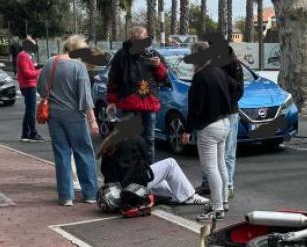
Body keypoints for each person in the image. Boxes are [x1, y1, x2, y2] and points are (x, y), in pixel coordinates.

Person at [36, 35, 99, 206]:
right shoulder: (78, 66)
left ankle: (66, 196)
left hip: (54, 116)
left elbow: (41, 88)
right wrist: (92, 120)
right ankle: (90, 194)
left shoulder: (50, 63)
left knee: (62, 154)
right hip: (75, 115)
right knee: (84, 152)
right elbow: (85, 97)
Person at [181, 42, 240, 221]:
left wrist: (187, 130)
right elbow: (236, 88)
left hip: (209, 126)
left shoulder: (200, 77)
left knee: (211, 168)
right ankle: (222, 202)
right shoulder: (219, 72)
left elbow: (195, 107)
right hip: (224, 122)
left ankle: (217, 208)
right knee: (221, 165)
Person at [105, 26, 168, 164]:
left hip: (149, 104)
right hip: (129, 104)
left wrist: (158, 65)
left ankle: (149, 170)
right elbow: (113, 80)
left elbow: (164, 78)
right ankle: (131, 169)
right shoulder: (122, 55)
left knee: (149, 139)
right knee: (128, 140)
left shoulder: (153, 54)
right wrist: (111, 101)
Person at [99, 133, 209, 205]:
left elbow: (106, 174)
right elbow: (147, 160)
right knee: (170, 163)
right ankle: (189, 197)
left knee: (164, 181)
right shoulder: (136, 139)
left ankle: (176, 195)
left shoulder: (106, 148)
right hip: (136, 185)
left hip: (119, 189)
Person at [198, 47, 244, 198]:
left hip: (229, 113)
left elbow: (238, 90)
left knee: (227, 153)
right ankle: (209, 183)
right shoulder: (211, 67)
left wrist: (223, 103)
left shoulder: (234, 66)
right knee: (211, 155)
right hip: (215, 113)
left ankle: (228, 185)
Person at [12, 41, 44, 142]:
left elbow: (27, 70)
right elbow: (27, 73)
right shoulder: (24, 56)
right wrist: (39, 71)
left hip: (26, 85)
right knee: (31, 110)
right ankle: (32, 133)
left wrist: (35, 68)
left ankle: (25, 132)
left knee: (28, 110)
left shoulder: (24, 55)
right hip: (28, 85)